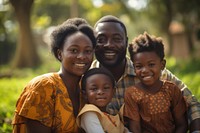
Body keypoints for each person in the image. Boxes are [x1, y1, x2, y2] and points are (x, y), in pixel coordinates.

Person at [91, 15, 200, 132]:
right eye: (101, 40)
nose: (109, 45)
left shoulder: (152, 74)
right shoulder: (86, 79)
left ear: (126, 42)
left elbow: (191, 103)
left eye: (117, 39)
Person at [12, 18, 96, 133]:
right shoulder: (43, 87)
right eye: (74, 50)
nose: (82, 56)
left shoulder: (87, 90)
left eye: (88, 51)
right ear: (60, 54)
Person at [124, 32, 188, 132]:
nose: (145, 70)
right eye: (139, 66)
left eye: (151, 64)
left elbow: (182, 125)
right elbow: (135, 129)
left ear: (162, 65)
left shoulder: (172, 90)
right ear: (134, 67)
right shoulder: (132, 94)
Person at [76, 68, 129, 133]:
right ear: (84, 94)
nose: (100, 92)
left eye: (106, 88)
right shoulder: (89, 113)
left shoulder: (111, 114)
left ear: (113, 92)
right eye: (94, 89)